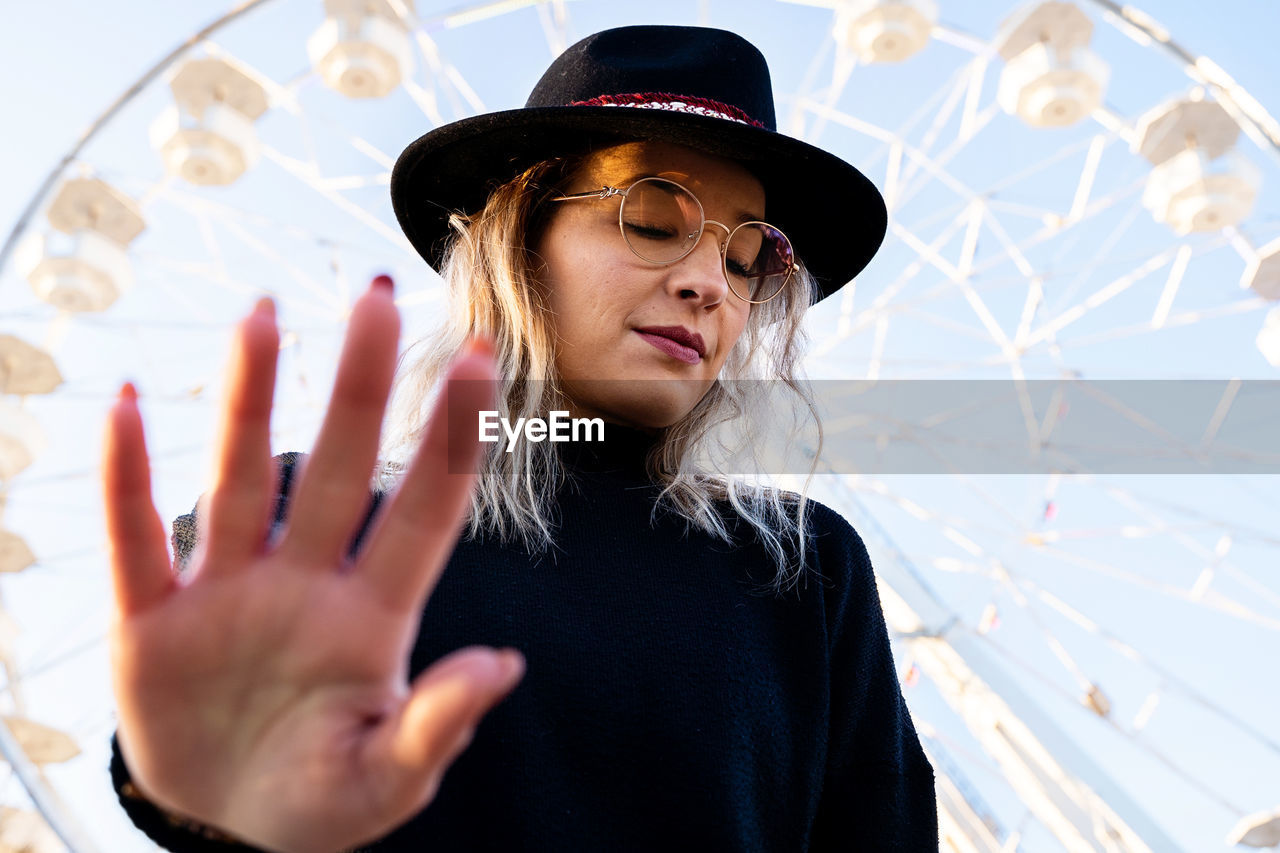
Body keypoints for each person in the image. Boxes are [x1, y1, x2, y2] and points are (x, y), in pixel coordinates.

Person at [104, 24, 939, 853]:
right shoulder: (314, 523)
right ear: (520, 239)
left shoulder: (805, 573)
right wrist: (192, 781)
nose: (710, 284)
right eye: (652, 215)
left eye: (750, 253)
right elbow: (229, 792)